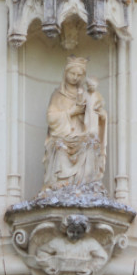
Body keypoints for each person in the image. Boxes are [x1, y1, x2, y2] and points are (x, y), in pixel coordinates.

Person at [41, 57, 106, 192]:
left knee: (91, 144)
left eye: (79, 75)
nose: (75, 77)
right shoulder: (57, 94)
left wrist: (100, 116)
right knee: (59, 146)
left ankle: (86, 184)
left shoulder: (86, 95)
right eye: (72, 73)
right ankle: (61, 183)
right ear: (66, 73)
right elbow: (51, 118)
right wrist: (71, 112)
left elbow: (94, 114)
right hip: (63, 135)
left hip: (81, 134)